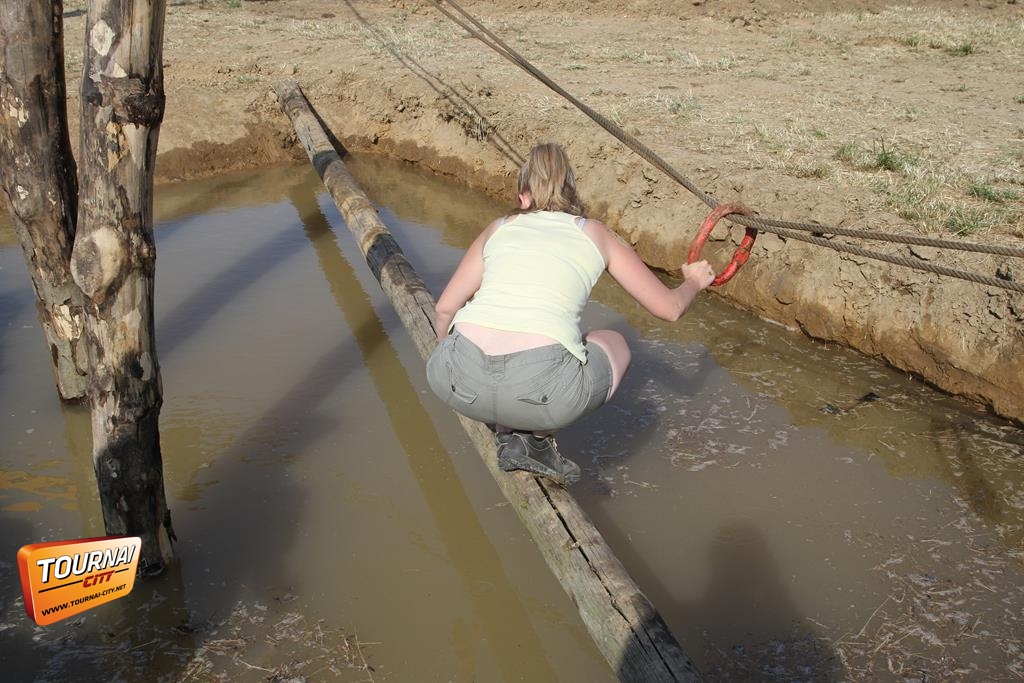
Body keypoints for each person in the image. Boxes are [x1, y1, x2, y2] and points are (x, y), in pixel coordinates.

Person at [426, 143, 716, 485]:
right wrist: (694, 282)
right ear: (572, 194)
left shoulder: (499, 227)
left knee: (504, 341)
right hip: (541, 395)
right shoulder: (594, 233)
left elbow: (445, 308)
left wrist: (456, 362)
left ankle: (507, 427)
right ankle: (537, 440)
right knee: (614, 342)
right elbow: (670, 309)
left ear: (523, 197)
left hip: (452, 381)